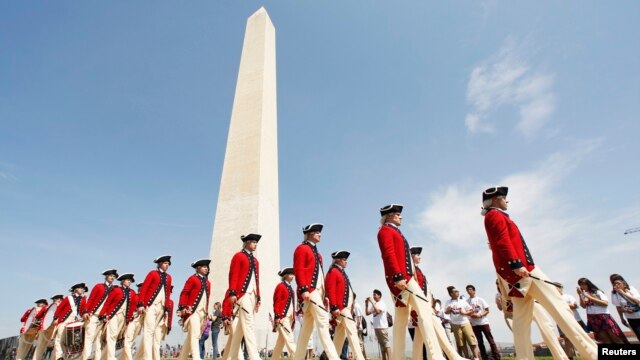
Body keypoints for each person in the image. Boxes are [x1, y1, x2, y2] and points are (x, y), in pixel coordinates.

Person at [481, 186, 597, 360]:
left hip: (518, 273)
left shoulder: (495, 215)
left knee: (521, 321)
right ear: (496, 199)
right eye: (504, 197)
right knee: (560, 308)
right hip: (524, 270)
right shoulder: (495, 215)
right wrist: (516, 264)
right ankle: (592, 353)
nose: (507, 200)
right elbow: (502, 241)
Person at [376, 204, 446, 360]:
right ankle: (436, 357)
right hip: (403, 279)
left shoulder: (395, 231)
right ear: (388, 216)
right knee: (425, 312)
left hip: (406, 278)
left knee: (401, 322)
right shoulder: (385, 231)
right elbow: (388, 254)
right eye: (397, 214)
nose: (401, 217)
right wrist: (397, 277)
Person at [293, 223, 340, 360]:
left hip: (317, 292)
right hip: (310, 291)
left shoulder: (317, 253)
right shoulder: (301, 249)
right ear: (310, 234)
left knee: (306, 329)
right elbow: (299, 269)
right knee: (323, 320)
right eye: (317, 232)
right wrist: (303, 289)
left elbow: (319, 274)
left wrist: (324, 295)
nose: (320, 234)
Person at [496, 277, 567, 360]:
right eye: (498, 284)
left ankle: (560, 356)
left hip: (531, 303)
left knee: (547, 328)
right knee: (520, 335)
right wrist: (499, 302)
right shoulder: (499, 295)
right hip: (513, 315)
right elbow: (502, 308)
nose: (499, 285)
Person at [224, 233, 262, 360]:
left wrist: (258, 297)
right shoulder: (238, 256)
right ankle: (254, 356)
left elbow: (257, 280)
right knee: (249, 324)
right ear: (246, 243)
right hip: (242, 294)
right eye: (253, 242)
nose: (255, 244)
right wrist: (233, 292)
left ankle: (233, 357)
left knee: (240, 329)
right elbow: (233, 275)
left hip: (252, 295)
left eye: (256, 242)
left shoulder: (256, 261)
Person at [326, 251, 365, 360]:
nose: (346, 261)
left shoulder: (340, 272)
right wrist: (334, 307)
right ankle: (360, 357)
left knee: (339, 337)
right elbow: (331, 290)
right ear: (337, 260)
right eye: (344, 259)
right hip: (341, 307)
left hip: (345, 308)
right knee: (352, 331)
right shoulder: (333, 271)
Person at [137, 255, 173, 360]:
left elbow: (167, 294)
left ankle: (139, 357)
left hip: (161, 308)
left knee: (152, 332)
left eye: (168, 264)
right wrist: (141, 304)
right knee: (149, 332)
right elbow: (144, 289)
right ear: (160, 264)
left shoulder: (168, 277)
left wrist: (166, 307)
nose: (167, 265)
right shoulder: (152, 274)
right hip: (150, 306)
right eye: (165, 263)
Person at [178, 259, 212, 360]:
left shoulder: (208, 282)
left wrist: (206, 312)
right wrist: (183, 306)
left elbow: (207, 298)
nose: (206, 268)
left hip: (202, 312)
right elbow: (185, 293)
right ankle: (196, 358)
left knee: (191, 337)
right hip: (192, 311)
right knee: (196, 335)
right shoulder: (192, 279)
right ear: (198, 268)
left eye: (207, 267)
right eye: (204, 267)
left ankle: (182, 358)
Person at [81, 269, 118, 360]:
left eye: (113, 276)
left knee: (99, 340)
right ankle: (86, 357)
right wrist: (85, 311)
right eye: (110, 275)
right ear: (106, 276)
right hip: (93, 315)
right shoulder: (98, 286)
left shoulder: (114, 289)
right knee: (89, 338)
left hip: (103, 318)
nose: (112, 277)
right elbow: (91, 299)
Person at [577, 277, 628, 344]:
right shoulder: (584, 294)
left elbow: (605, 303)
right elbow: (583, 306)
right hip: (593, 318)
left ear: (588, 284)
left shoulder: (597, 292)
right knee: (605, 339)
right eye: (581, 285)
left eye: (584, 284)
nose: (582, 286)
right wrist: (580, 295)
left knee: (615, 337)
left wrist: (589, 297)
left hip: (603, 316)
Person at [100, 273, 138, 360]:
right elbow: (107, 303)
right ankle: (111, 358)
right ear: (123, 281)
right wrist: (103, 314)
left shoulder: (132, 292)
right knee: (112, 336)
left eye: (130, 281)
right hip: (113, 315)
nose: (129, 282)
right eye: (128, 280)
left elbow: (133, 305)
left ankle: (104, 357)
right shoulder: (116, 290)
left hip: (123, 317)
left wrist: (130, 316)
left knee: (115, 336)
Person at [52, 283, 87, 360]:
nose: (82, 290)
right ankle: (59, 356)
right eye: (80, 288)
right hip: (64, 320)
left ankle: (66, 355)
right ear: (76, 290)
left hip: (73, 320)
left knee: (70, 340)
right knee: (59, 338)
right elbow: (59, 308)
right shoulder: (68, 298)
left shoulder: (83, 299)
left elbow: (83, 310)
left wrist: (85, 313)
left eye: (82, 289)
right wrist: (56, 318)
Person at [444, 286, 479, 359]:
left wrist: (464, 313)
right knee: (461, 343)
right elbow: (446, 312)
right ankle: (467, 357)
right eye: (455, 291)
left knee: (471, 340)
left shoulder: (462, 301)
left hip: (465, 322)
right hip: (455, 324)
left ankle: (476, 357)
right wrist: (448, 310)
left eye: (458, 291)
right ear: (451, 294)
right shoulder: (448, 302)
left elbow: (471, 310)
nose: (458, 293)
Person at [466, 285, 499, 360]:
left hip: (483, 322)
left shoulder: (480, 299)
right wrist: (470, 315)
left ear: (474, 291)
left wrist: (480, 315)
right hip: (474, 324)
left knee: (490, 340)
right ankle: (484, 357)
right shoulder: (467, 302)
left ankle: (496, 356)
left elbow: (487, 310)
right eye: (467, 290)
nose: (469, 291)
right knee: (480, 342)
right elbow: (466, 312)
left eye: (470, 289)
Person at [272, 267, 296, 360]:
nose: (292, 276)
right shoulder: (280, 286)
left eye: (292, 274)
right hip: (283, 317)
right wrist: (277, 316)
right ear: (285, 276)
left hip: (289, 317)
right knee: (290, 338)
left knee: (280, 342)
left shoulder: (290, 288)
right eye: (290, 274)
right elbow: (277, 302)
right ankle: (298, 357)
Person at [556, 283, 585, 360]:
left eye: (557, 287)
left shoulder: (568, 296)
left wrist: (560, 305)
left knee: (580, 337)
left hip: (575, 319)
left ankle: (586, 355)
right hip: (561, 320)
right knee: (567, 339)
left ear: (561, 288)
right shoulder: (553, 299)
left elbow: (574, 306)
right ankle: (570, 357)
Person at [31, 294, 63, 360]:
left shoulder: (48, 307)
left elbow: (38, 316)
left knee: (54, 346)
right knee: (42, 346)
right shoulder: (48, 308)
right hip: (48, 328)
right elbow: (38, 316)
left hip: (54, 327)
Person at [609, 274, 640, 341]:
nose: (616, 285)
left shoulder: (631, 289)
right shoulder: (614, 293)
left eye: (618, 283)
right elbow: (618, 307)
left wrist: (623, 293)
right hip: (630, 318)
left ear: (624, 284)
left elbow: (637, 302)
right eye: (614, 283)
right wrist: (622, 317)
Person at [120, 282, 145, 360]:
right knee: (128, 341)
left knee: (130, 342)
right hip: (132, 320)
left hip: (140, 322)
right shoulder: (135, 296)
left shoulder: (147, 299)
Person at [365, 290, 391, 360]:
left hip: (382, 326)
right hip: (376, 327)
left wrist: (373, 303)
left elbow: (378, 311)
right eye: (373, 295)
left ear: (379, 295)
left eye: (375, 295)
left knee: (386, 344)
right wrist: (366, 304)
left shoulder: (382, 303)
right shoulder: (375, 303)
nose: (373, 296)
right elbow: (367, 313)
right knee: (381, 344)